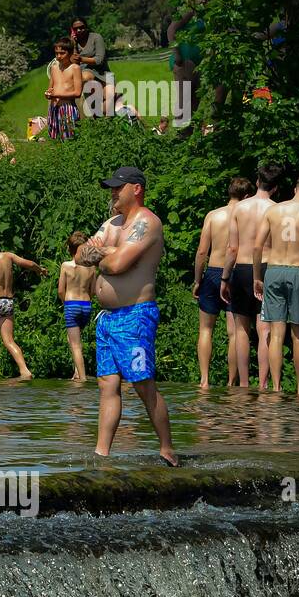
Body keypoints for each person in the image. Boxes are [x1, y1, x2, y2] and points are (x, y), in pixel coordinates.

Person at [76, 167, 177, 465]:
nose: (112, 192)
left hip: (135, 316)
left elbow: (118, 264)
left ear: (136, 189)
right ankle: (101, 454)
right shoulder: (113, 223)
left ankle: (167, 449)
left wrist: (105, 252)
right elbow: (80, 255)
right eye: (110, 188)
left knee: (142, 383)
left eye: (117, 187)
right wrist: (106, 251)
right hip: (106, 318)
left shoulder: (147, 223)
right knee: (107, 384)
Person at [253, 174, 299, 394]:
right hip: (298, 272)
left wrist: (257, 276)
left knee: (276, 333)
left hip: (273, 271)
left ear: (295, 189)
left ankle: (275, 387)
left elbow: (257, 247)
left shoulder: (273, 211)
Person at [221, 162, 284, 388]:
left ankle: (244, 384)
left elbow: (232, 248)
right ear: (275, 188)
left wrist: (225, 278)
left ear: (257, 181)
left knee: (240, 330)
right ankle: (264, 384)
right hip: (267, 268)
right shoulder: (277, 209)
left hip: (242, 268)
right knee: (264, 328)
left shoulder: (239, 208)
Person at [192, 177, 254, 387]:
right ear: (246, 196)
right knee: (235, 331)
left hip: (212, 272)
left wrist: (197, 279)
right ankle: (231, 381)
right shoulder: (247, 217)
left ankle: (204, 380)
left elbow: (202, 252)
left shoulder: (213, 215)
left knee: (205, 329)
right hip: (235, 273)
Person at [0, 238, 45, 380]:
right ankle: (24, 371)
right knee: (9, 340)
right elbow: (29, 264)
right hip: (8, 302)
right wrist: (40, 269)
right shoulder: (8, 256)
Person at [58, 233, 96, 381]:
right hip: (86, 305)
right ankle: (76, 371)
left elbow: (61, 290)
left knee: (75, 345)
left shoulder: (66, 266)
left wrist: (65, 302)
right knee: (74, 340)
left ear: (70, 249)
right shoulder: (92, 268)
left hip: (71, 304)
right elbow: (93, 291)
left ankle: (82, 378)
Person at [45, 38, 83, 141]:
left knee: (69, 139)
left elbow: (77, 92)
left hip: (67, 108)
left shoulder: (75, 68)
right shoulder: (54, 67)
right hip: (54, 107)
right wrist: (48, 94)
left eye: (62, 53)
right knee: (54, 138)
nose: (58, 56)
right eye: (56, 53)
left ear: (70, 53)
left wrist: (57, 95)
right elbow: (51, 88)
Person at [70, 18, 109, 115]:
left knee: (111, 104)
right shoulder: (72, 42)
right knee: (85, 77)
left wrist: (82, 59)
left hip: (102, 73)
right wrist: (74, 44)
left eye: (81, 27)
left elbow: (99, 60)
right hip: (85, 73)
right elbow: (73, 63)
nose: (79, 30)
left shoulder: (96, 38)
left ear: (86, 27)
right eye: (76, 29)